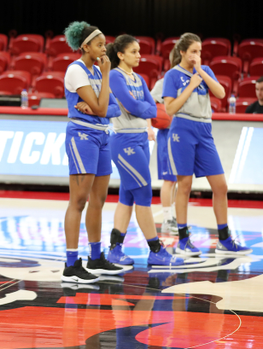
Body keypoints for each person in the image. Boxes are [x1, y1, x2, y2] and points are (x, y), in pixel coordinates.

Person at [162, 33, 252, 256]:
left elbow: (221, 93)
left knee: (220, 186)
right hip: (182, 129)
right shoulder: (172, 75)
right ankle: (183, 240)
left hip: (204, 130)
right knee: (184, 185)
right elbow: (170, 109)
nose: (197, 55)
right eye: (193, 51)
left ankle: (224, 239)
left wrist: (200, 72)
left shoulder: (204, 71)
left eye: (199, 51)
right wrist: (191, 86)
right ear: (182, 52)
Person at [105, 34, 184, 267]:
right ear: (120, 54)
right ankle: (156, 250)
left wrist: (143, 109)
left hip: (140, 139)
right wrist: (144, 109)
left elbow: (151, 108)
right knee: (144, 195)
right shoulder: (115, 76)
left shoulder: (139, 78)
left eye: (140, 51)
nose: (140, 55)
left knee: (127, 196)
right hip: (124, 141)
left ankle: (114, 249)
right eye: (134, 51)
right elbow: (134, 106)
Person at [62, 21, 123, 284]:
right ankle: (71, 263)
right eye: (99, 44)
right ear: (84, 46)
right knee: (79, 200)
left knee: (99, 200)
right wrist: (101, 101)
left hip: (102, 136)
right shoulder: (77, 71)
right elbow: (101, 109)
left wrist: (100, 106)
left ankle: (95, 257)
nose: (104, 49)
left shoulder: (96, 71)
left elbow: (113, 108)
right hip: (82, 136)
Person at [149, 78, 179, 235]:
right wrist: (149, 127)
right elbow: (149, 104)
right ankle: (167, 220)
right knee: (169, 180)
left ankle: (172, 217)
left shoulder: (189, 81)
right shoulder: (165, 81)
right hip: (167, 135)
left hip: (182, 133)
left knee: (176, 180)